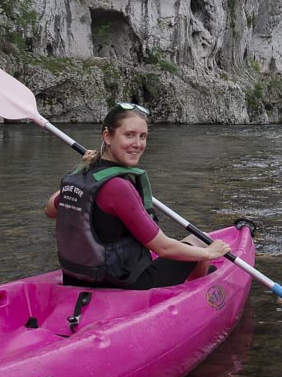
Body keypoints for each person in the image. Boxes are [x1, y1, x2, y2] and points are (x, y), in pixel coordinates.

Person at [44, 102, 230, 289]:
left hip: (80, 277)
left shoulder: (82, 177)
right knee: (201, 240)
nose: (138, 144)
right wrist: (208, 253)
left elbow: (51, 209)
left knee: (196, 241)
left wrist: (81, 170)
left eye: (143, 137)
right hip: (124, 283)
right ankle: (199, 291)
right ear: (107, 136)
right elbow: (163, 248)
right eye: (129, 135)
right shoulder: (118, 187)